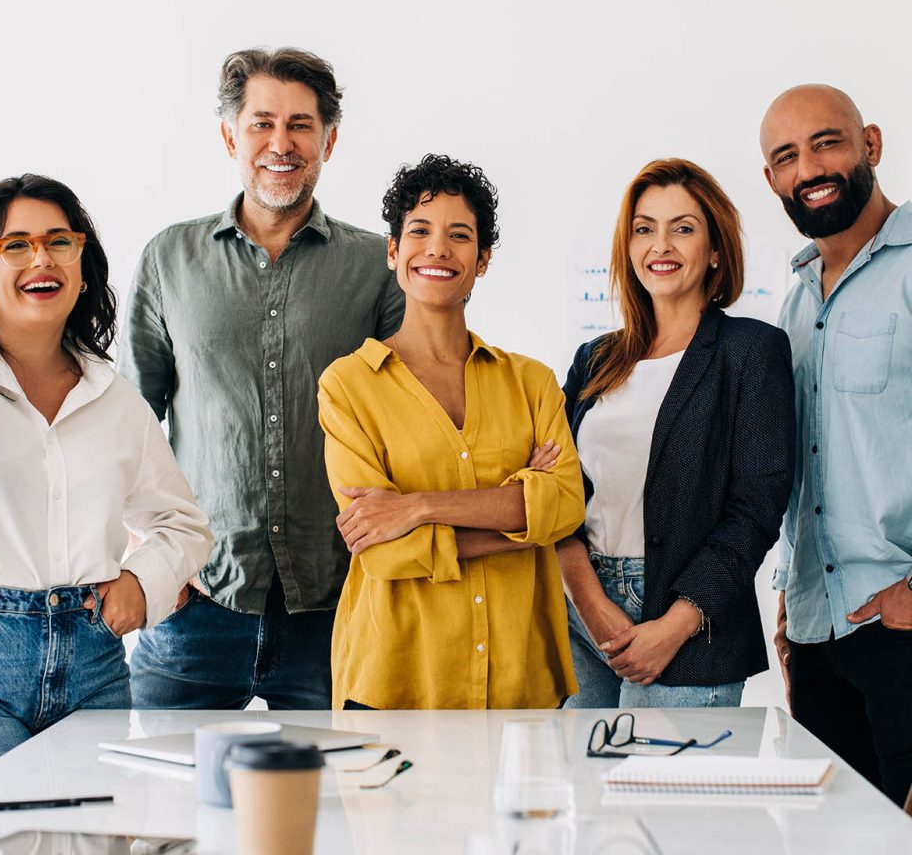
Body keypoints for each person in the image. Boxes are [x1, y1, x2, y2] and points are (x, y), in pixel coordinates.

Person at [121, 47, 404, 710]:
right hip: (194, 605)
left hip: (336, 605)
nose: (282, 143)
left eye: (301, 125)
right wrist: (149, 553)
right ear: (230, 136)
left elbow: (408, 417)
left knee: (338, 810)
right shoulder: (170, 258)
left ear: (329, 141)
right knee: (166, 809)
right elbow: (128, 423)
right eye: (262, 123)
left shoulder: (377, 265)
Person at [0, 174, 212, 798]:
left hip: (93, 669)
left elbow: (183, 525)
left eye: (59, 242)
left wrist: (139, 583)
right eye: (15, 245)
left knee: (93, 841)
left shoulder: (113, 396)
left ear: (81, 267)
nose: (41, 259)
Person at [317, 154, 584, 709]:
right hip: (396, 680)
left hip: (521, 682)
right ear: (393, 251)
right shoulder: (348, 387)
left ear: (482, 260)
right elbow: (383, 552)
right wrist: (520, 518)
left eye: (459, 235)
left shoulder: (531, 382)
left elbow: (565, 506)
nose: (438, 248)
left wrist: (415, 508)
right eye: (419, 231)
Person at [557, 158, 795, 709]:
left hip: (690, 621)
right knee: (580, 789)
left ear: (715, 250)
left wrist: (677, 623)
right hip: (579, 612)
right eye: (645, 228)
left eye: (682, 228)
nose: (660, 245)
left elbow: (756, 510)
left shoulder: (751, 351)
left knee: (660, 794)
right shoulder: (595, 360)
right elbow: (557, 493)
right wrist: (589, 601)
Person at [760, 84, 912, 806]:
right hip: (818, 633)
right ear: (772, 181)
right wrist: (794, 598)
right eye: (787, 156)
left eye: (827, 142)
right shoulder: (795, 302)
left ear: (870, 145)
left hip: (902, 626)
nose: (808, 167)